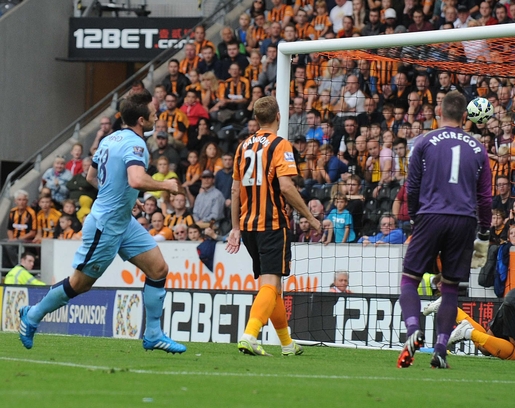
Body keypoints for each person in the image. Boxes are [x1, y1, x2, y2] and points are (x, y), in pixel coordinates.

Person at [18, 91, 185, 353]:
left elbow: (91, 176)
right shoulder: (136, 145)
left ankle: (153, 334)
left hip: (122, 221)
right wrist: (167, 185)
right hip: (106, 225)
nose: (157, 115)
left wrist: (128, 200)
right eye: (153, 113)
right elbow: (136, 180)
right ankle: (32, 315)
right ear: (142, 120)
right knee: (79, 284)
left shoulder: (110, 139)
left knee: (158, 270)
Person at [396, 91, 493, 370]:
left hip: (430, 215)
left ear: (440, 112)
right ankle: (440, 350)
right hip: (464, 220)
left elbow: (412, 186)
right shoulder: (478, 148)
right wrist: (484, 232)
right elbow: (485, 197)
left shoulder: (424, 141)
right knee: (450, 289)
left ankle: (413, 328)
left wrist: (416, 218)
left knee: (409, 280)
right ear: (465, 116)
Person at [226, 96, 321, 357]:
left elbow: (235, 190)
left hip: (247, 226)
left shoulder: (243, 146)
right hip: (272, 223)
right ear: (278, 116)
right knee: (270, 284)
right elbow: (287, 186)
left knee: (273, 285)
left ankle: (287, 344)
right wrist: (311, 219)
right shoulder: (280, 145)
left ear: (257, 119)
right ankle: (250, 335)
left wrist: (235, 228)